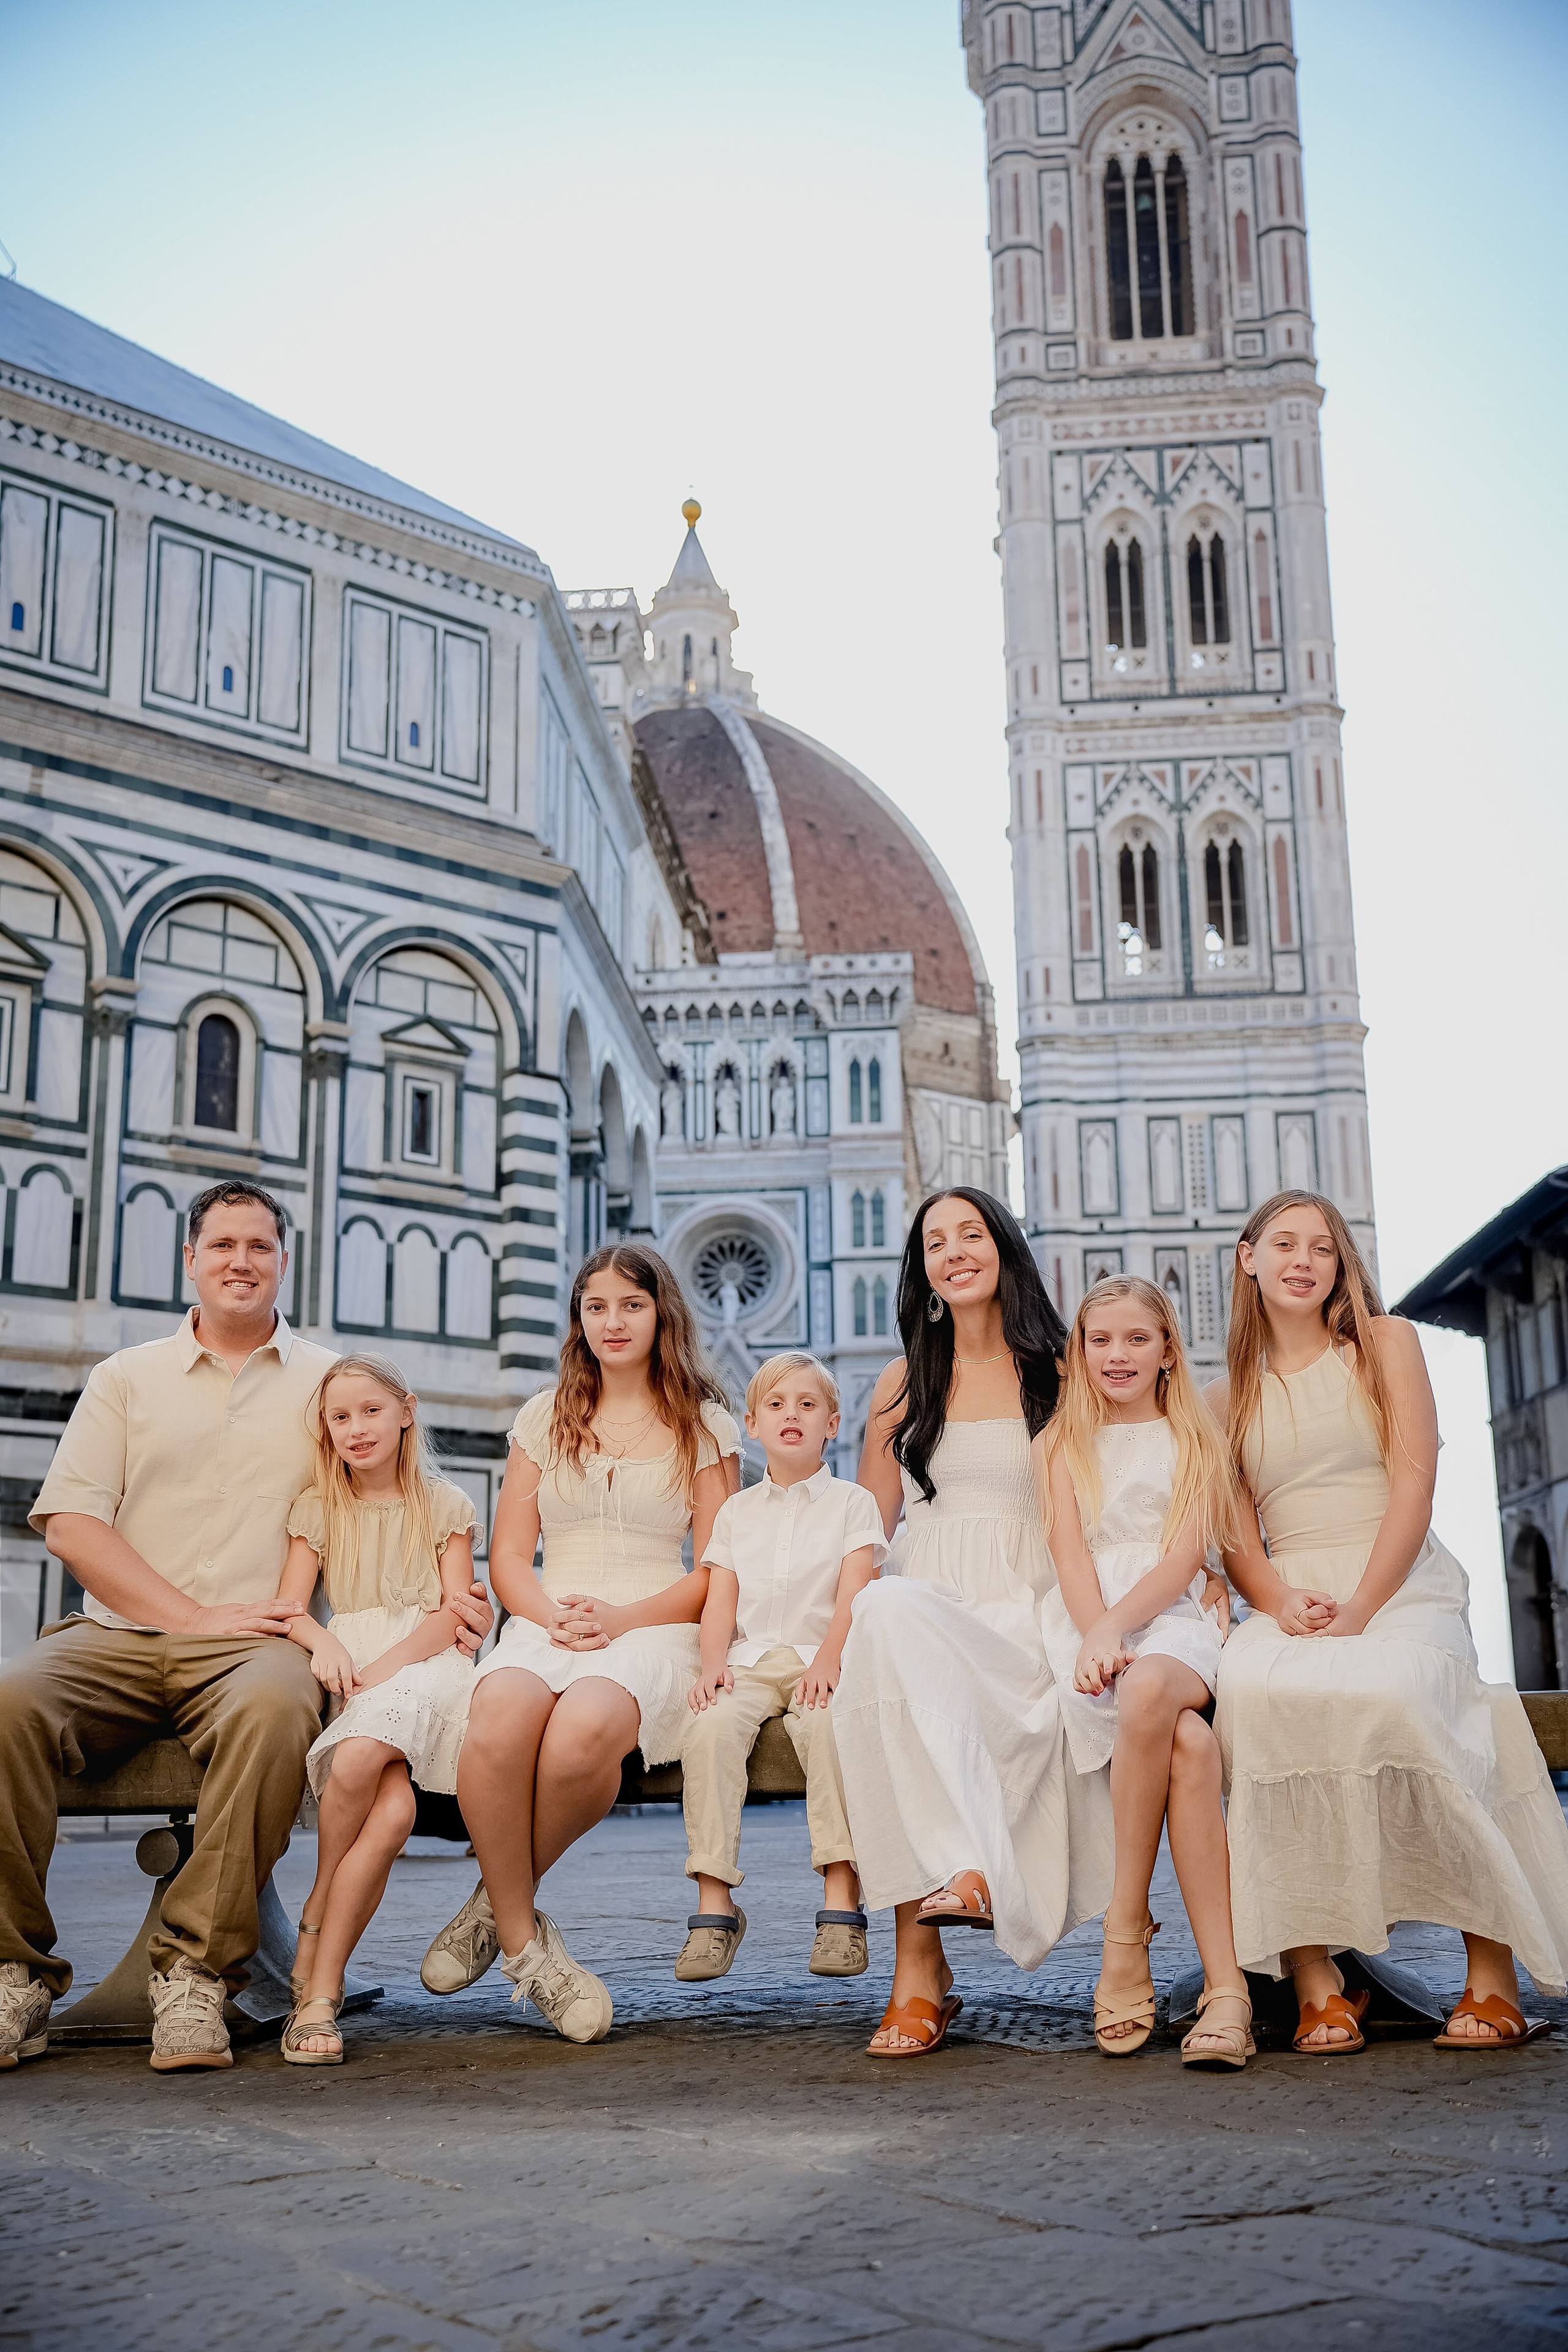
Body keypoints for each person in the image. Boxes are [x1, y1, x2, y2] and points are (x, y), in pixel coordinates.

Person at [1213, 1191, 1568, 2052]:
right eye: (1286, 1244)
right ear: (1248, 1258)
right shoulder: (1223, 1395)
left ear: (1342, 1267)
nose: (1305, 1260)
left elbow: (1414, 1489)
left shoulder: (1387, 1345)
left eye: (1324, 1249)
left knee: (1405, 1692)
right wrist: (1276, 1599)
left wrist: (1363, 1610)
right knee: (1255, 1697)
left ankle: (1492, 1968)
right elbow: (1231, 1531)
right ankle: (1316, 1977)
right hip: (1293, 1594)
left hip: (1400, 1582)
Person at [419, 1244, 741, 2042]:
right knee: (497, 1715)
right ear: (579, 1320)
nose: (613, 1321)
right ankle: (528, 1944)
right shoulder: (543, 1414)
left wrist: (625, 1619)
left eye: (630, 1304)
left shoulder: (705, 1423)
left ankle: (497, 1904)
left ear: (661, 1312)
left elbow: (720, 1565)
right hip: (547, 1618)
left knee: (582, 1732)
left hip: (654, 1624)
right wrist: (548, 1615)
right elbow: (509, 1554)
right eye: (596, 1307)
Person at [833, 1188, 1115, 2059]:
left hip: (1029, 1609)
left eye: (971, 1235)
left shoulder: (1061, 1371)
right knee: (883, 1622)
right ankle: (924, 1954)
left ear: (1004, 1250)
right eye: (934, 1242)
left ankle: (929, 1953)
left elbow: (1119, 1500)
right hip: (924, 1604)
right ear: (919, 1267)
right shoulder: (899, 1382)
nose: (953, 1251)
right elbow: (867, 1533)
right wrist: (830, 1636)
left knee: (899, 1645)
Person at [1038, 1278, 1251, 2068]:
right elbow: (1067, 1554)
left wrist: (1113, 1627)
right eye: (1100, 1340)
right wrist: (1092, 1632)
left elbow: (1185, 1559)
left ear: (1166, 1350)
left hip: (1170, 1621)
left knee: (1156, 1685)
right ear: (1079, 1352)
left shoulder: (1193, 1437)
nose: (1117, 1354)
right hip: (1085, 1628)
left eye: (1136, 1339)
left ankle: (1125, 1929)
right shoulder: (1058, 1445)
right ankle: (1224, 1988)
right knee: (1190, 1748)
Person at [274, 1355, 479, 2064]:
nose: (356, 1428)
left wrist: (385, 1668)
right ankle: (321, 1989)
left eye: (370, 1411)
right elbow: (290, 1610)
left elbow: (456, 1615)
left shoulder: (447, 1504)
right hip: (353, 1660)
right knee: (390, 1816)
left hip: (426, 1665)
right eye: (339, 1417)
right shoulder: (317, 1507)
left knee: (360, 1757)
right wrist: (326, 1642)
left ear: (406, 1412)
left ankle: (317, 1915)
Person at [676, 1352, 886, 1983]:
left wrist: (830, 1660)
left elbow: (855, 1592)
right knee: (709, 1730)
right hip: (749, 1659)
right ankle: (715, 1904)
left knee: (827, 1728)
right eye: (775, 1405)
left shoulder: (853, 1504)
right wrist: (713, 1664)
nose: (790, 1415)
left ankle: (841, 1899)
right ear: (751, 1423)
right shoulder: (737, 1512)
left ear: (832, 1423)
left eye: (806, 1404)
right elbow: (721, 1598)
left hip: (821, 1660)